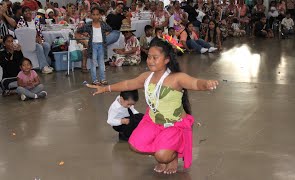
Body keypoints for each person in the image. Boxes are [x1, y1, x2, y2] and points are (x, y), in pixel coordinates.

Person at [86, 40, 219, 174]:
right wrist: (105, 88)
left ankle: (171, 157)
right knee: (134, 145)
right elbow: (127, 85)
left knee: (162, 155)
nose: (150, 60)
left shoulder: (177, 78)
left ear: (167, 60)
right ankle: (164, 152)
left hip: (173, 125)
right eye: (149, 56)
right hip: (153, 121)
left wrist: (206, 84)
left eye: (155, 57)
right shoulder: (146, 77)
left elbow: (195, 83)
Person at [77, 7, 112, 85]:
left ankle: (103, 79)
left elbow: (110, 29)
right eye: (93, 14)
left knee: (101, 62)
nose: (95, 16)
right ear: (91, 15)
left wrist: (104, 35)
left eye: (97, 14)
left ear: (100, 15)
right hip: (93, 46)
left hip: (101, 45)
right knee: (93, 63)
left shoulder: (103, 24)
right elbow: (78, 31)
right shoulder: (88, 25)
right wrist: (84, 36)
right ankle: (94, 80)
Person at [16, 6, 54, 74]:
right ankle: (44, 67)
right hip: (27, 43)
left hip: (37, 41)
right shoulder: (21, 23)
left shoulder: (36, 21)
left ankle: (41, 64)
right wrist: (34, 40)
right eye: (25, 11)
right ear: (23, 14)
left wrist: (41, 40)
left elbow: (40, 33)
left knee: (47, 45)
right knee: (39, 47)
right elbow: (21, 36)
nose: (28, 12)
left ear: (31, 12)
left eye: (29, 10)